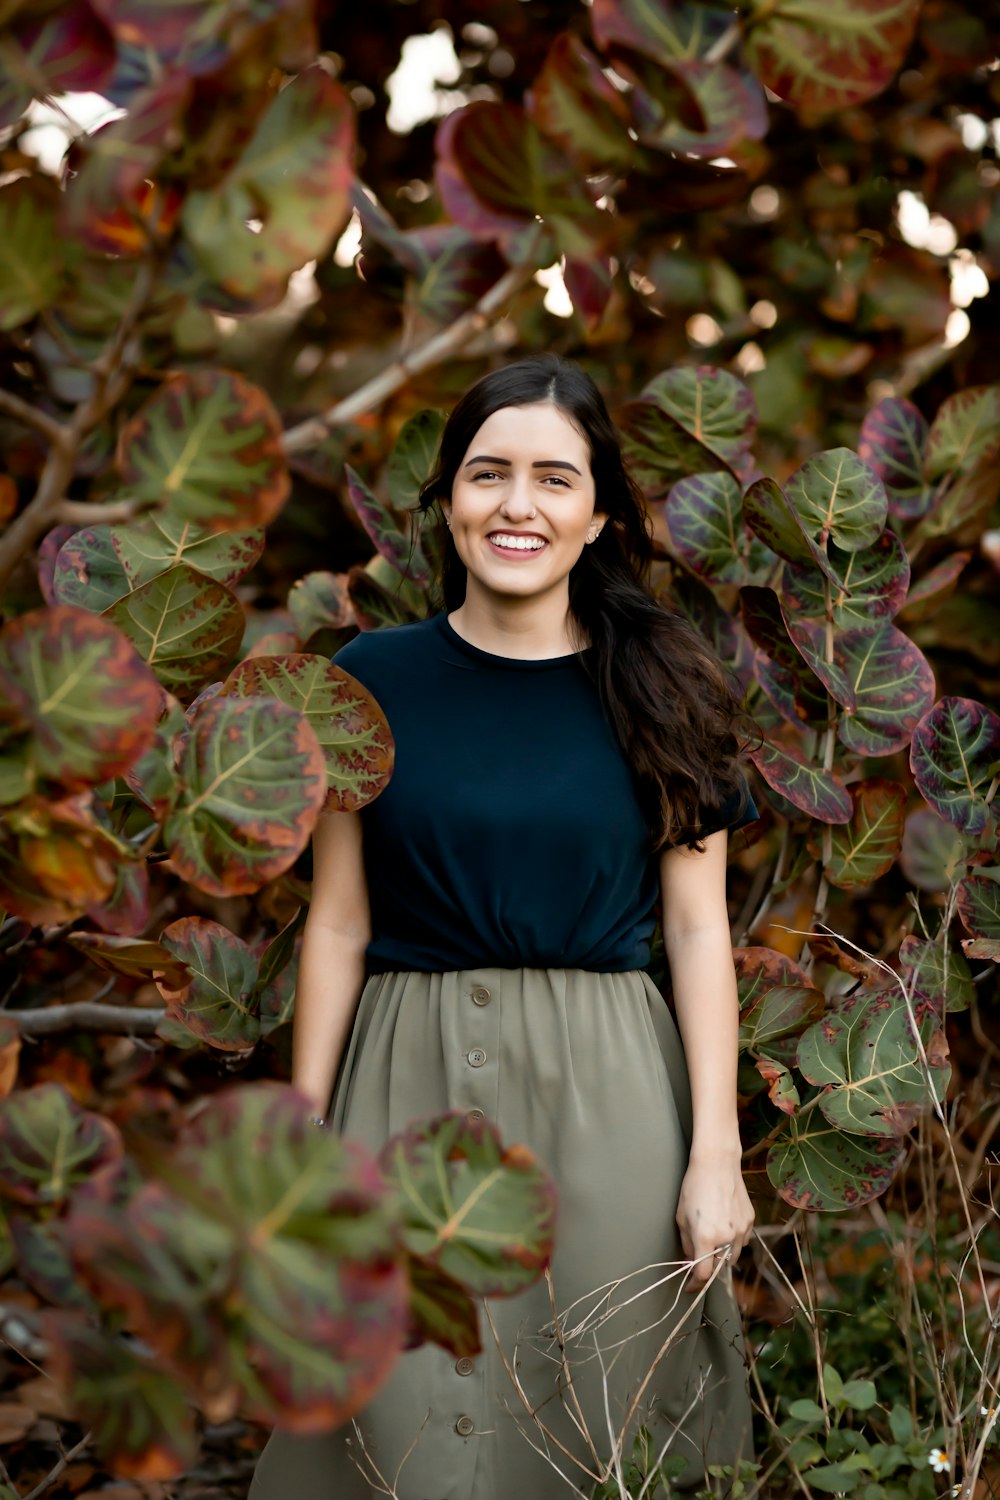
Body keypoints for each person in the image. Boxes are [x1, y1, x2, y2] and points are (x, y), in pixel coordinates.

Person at [248, 354, 758, 1500]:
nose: (516, 505)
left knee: (603, 1413)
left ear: (599, 515)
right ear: (447, 501)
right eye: (487, 474)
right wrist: (311, 1132)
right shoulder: (367, 680)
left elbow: (695, 933)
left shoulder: (668, 688)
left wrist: (712, 1155)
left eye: (552, 478)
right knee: (396, 1413)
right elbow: (336, 924)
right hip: (402, 1081)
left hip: (614, 1098)